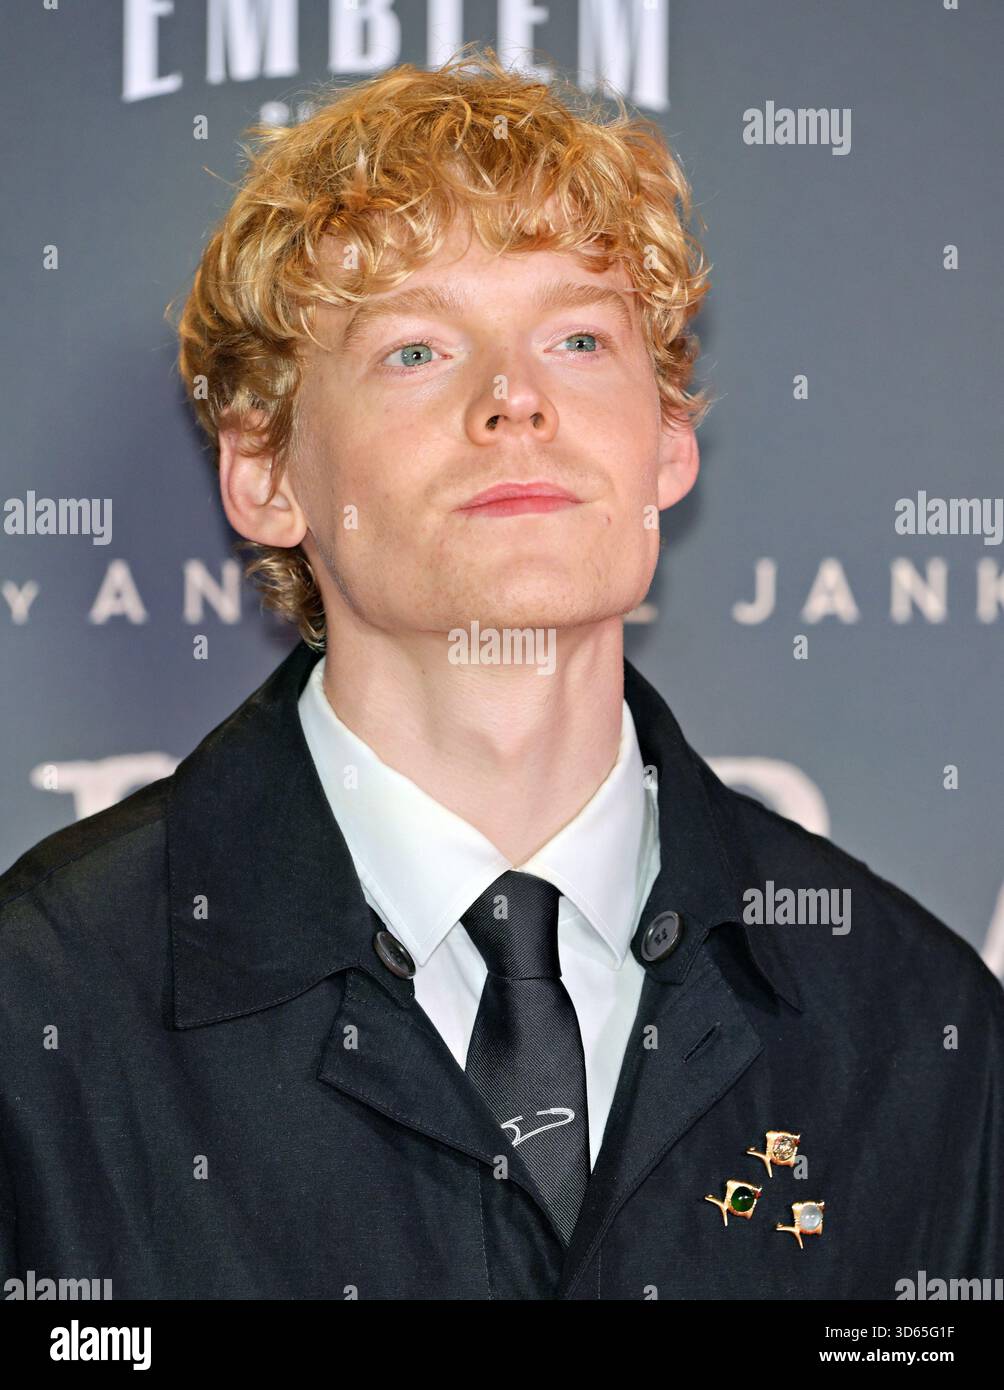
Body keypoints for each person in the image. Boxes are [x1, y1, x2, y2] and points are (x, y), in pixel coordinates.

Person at [1, 48, 1001, 1302]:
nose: (514, 400)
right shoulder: (43, 1009)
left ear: (667, 443)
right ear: (264, 471)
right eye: (416, 350)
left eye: (578, 337)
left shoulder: (909, 1022)